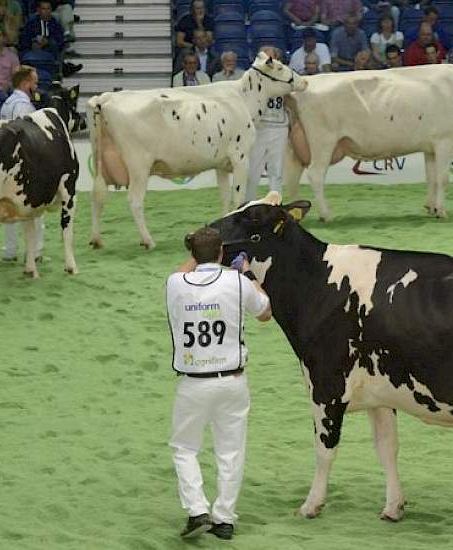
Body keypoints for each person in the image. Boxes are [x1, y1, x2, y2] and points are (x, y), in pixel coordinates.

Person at [167, 227, 272, 541]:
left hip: (193, 382)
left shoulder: (175, 284)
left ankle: (197, 508)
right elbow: (266, 312)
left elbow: (180, 271)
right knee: (230, 451)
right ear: (222, 253)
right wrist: (248, 273)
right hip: (232, 380)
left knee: (184, 448)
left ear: (193, 255)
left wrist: (197, 253)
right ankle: (224, 518)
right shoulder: (238, 282)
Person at [0, 65, 44, 263]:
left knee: (9, 207)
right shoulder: (23, 105)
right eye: (34, 82)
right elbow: (26, 134)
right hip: (24, 162)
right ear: (26, 84)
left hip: (7, 161)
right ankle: (35, 251)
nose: (37, 86)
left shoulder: (8, 102)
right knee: (35, 209)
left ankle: (10, 250)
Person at [245, 46, 289, 202]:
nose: (270, 60)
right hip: (259, 127)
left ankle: (275, 204)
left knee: (276, 170)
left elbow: (290, 99)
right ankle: (248, 203)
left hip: (280, 126)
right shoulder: (252, 76)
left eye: (273, 57)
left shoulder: (285, 75)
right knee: (253, 169)